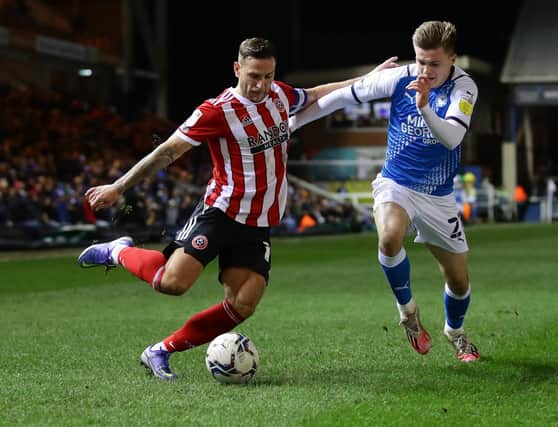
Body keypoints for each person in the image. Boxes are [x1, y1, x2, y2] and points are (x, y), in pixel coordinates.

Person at [77, 37, 397, 380]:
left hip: (258, 223)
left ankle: (160, 351)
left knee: (243, 303)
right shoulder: (216, 111)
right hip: (221, 213)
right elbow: (167, 152)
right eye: (254, 76)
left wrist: (369, 80)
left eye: (268, 76)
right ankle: (118, 251)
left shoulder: (279, 95)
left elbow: (317, 93)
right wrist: (119, 186)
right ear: (237, 69)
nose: (261, 85)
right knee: (173, 283)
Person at [290, 21, 479, 362]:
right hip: (397, 183)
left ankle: (456, 331)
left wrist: (422, 105)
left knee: (459, 281)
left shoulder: (464, 89)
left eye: (434, 64)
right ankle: (408, 312)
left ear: (452, 58)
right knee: (389, 238)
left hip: (437, 196)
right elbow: (340, 98)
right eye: (421, 61)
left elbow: (452, 137)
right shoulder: (400, 76)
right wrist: (289, 127)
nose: (425, 70)